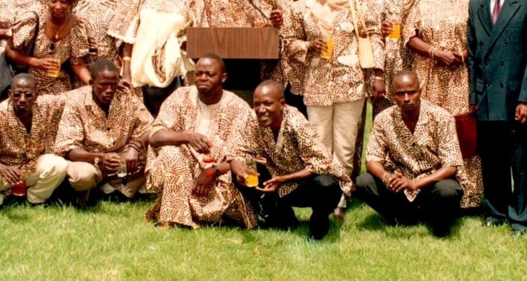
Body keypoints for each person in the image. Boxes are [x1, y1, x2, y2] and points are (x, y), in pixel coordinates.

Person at [282, 0, 381, 218]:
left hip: (349, 83)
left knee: (345, 144)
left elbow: (370, 36)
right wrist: (307, 46)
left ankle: (342, 198)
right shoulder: (301, 8)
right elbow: (288, 41)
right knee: (319, 143)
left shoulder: (353, 3)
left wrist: (376, 74)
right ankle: (324, 195)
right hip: (316, 84)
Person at [403, 0, 483, 209]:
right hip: (428, 74)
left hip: (461, 76)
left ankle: (469, 194)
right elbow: (409, 37)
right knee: (429, 132)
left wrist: (461, 55)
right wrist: (435, 52)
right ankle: (431, 193)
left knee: (463, 132)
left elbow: (482, 36)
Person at [467, 0, 527, 235]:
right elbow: (472, 53)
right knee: (492, 159)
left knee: (520, 160)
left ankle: (520, 217)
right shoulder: (476, 3)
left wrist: (526, 97)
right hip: (485, 96)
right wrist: (474, 95)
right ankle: (496, 211)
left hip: (513, 95)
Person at [228, 81, 351, 240]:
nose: (261, 109)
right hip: (276, 178)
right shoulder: (252, 118)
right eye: (257, 104)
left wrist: (284, 179)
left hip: (305, 181)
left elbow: (321, 163)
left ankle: (319, 221)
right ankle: (279, 214)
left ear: (282, 104)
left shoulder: (296, 122)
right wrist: (242, 173)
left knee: (326, 185)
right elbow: (236, 152)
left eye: (267, 104)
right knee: (241, 171)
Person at [144, 55, 254, 229]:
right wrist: (187, 136)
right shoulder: (180, 96)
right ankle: (170, 220)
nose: (203, 78)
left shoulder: (239, 108)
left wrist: (212, 171)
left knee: (222, 207)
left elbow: (241, 156)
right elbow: (155, 136)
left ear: (223, 78)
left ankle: (180, 210)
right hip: (180, 169)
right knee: (172, 153)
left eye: (209, 74)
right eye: (199, 74)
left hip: (220, 175)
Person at [355, 71, 465, 237]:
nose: (406, 98)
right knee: (364, 182)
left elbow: (451, 166)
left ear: (420, 91)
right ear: (392, 95)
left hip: (431, 184)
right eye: (400, 94)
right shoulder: (383, 119)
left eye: (412, 92)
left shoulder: (441, 117)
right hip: (400, 187)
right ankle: (401, 217)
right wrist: (387, 177)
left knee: (448, 190)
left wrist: (415, 183)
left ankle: (439, 223)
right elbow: (371, 159)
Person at [109, 0, 207, 116]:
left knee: (176, 120)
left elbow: (200, 37)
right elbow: (128, 35)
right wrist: (125, 71)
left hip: (177, 73)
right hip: (139, 73)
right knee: (141, 122)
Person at [50, 60, 155, 206]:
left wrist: (135, 147)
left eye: (113, 84)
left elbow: (151, 127)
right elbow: (68, 149)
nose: (109, 90)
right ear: (92, 82)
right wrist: (99, 158)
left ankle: (119, 192)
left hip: (120, 157)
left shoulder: (125, 96)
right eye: (103, 85)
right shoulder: (76, 102)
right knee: (84, 176)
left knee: (157, 151)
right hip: (90, 160)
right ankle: (85, 192)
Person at [0, 74, 68, 210]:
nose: (22, 100)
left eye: (28, 95)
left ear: (36, 94)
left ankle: (35, 199)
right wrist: (4, 169)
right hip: (4, 173)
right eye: (17, 95)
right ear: (9, 94)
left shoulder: (45, 106)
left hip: (30, 168)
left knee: (58, 164)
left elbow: (70, 98)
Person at [5, 0, 91, 95]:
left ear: (71, 3)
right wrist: (36, 62)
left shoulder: (76, 25)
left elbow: (77, 63)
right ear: (47, 0)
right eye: (53, 1)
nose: (58, 6)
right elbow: (9, 50)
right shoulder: (33, 19)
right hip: (28, 85)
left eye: (63, 1)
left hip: (58, 84)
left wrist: (92, 83)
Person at [366, 0, 421, 113]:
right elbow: (374, 39)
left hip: (418, 66)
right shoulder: (377, 1)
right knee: (387, 120)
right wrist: (378, 75)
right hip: (388, 70)